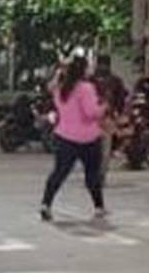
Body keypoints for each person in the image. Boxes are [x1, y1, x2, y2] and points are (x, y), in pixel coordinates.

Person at [40, 53, 107, 223]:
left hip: (64, 136)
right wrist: (103, 107)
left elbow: (50, 87)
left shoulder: (61, 88)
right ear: (83, 70)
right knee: (92, 175)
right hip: (89, 138)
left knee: (59, 172)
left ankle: (46, 204)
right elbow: (91, 112)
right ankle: (99, 207)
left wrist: (59, 73)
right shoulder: (86, 88)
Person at [93, 53, 128, 167]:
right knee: (102, 146)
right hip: (97, 117)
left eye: (104, 64)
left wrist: (118, 111)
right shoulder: (91, 80)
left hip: (105, 116)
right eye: (101, 64)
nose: (102, 67)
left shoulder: (113, 80)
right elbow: (121, 97)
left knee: (104, 146)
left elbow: (121, 97)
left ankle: (100, 167)